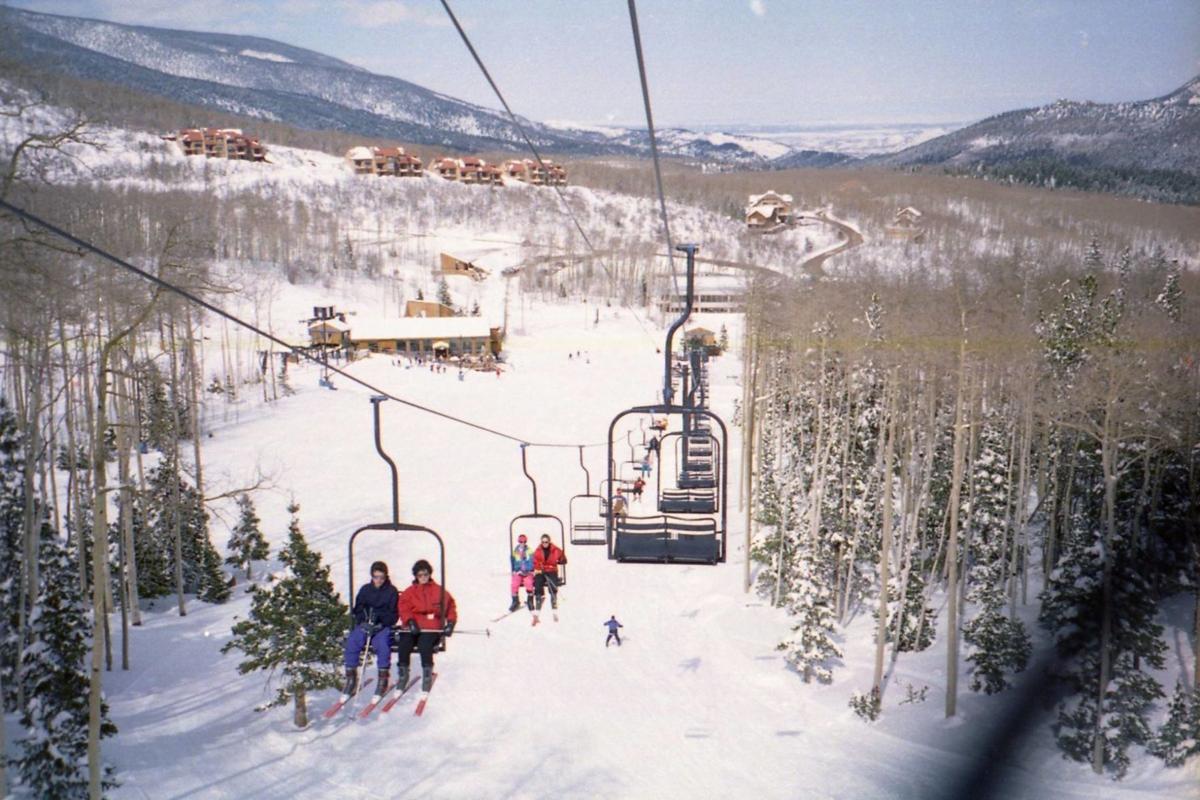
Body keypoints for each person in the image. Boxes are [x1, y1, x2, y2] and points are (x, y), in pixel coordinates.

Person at [395, 559, 458, 691]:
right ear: (416, 576)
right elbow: (403, 607)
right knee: (404, 644)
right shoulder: (410, 592)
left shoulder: (439, 591)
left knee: (425, 645)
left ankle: (427, 674)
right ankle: (403, 674)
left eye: (425, 574)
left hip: (431, 626)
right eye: (420, 575)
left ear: (429, 574)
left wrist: (450, 623)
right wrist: (410, 621)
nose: (423, 577)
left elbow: (450, 607)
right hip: (413, 626)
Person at [342, 560, 399, 698]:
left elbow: (393, 613)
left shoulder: (391, 591)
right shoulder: (365, 589)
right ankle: (351, 678)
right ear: (372, 576)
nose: (378, 580)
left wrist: (381, 622)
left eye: (381, 577)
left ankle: (383, 679)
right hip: (367, 624)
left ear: (386, 577)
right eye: (376, 577)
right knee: (353, 640)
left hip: (382, 626)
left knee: (382, 643)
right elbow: (358, 608)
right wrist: (363, 620)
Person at [532, 535, 567, 611]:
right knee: (537, 581)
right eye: (543, 542)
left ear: (549, 541)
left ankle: (553, 598)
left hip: (551, 570)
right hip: (541, 570)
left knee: (552, 581)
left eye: (546, 542)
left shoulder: (555, 550)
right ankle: (538, 597)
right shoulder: (538, 550)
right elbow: (534, 562)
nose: (544, 543)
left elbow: (562, 557)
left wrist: (562, 560)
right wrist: (539, 568)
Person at [509, 534, 535, 612]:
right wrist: (515, 570)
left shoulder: (529, 550)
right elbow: (513, 562)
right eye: (521, 541)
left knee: (529, 582)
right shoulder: (515, 551)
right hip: (518, 572)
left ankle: (530, 600)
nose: (522, 543)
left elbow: (531, 562)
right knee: (514, 584)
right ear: (518, 541)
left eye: (524, 541)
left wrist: (527, 569)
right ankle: (515, 601)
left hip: (528, 572)